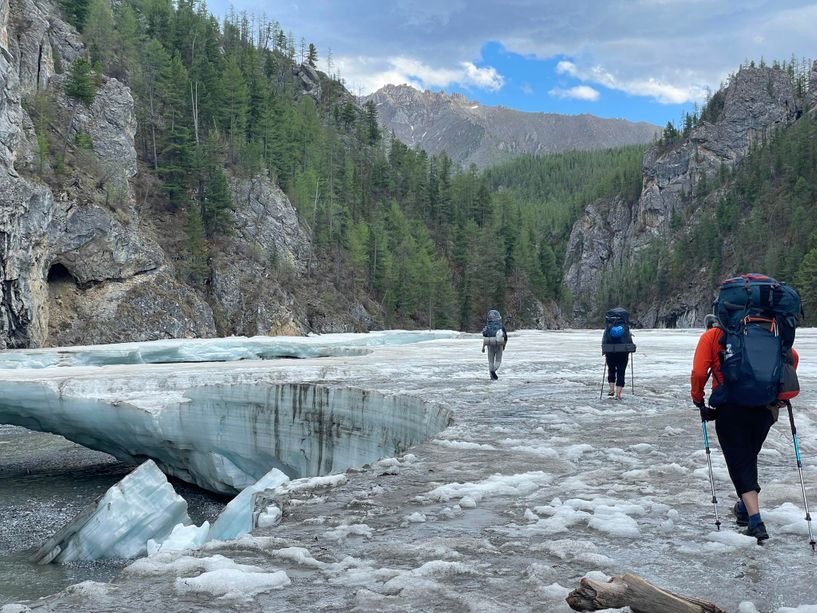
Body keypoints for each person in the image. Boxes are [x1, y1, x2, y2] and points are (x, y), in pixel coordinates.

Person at [690, 313, 798, 542]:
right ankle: (743, 507)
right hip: (765, 408)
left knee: (740, 461)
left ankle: (755, 521)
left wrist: (698, 399)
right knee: (748, 457)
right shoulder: (771, 334)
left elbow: (700, 372)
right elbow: (793, 358)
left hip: (731, 407)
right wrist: (777, 391)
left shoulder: (714, 335)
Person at [601, 308, 636, 400]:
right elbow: (630, 343)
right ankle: (618, 395)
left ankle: (611, 390)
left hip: (610, 353)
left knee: (611, 370)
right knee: (621, 372)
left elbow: (604, 340)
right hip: (623, 353)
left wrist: (604, 351)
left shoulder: (608, 327)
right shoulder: (625, 328)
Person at [481, 309, 508, 380]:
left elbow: (484, 335)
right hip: (499, 345)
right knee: (498, 361)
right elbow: (505, 337)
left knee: (490, 361)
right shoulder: (501, 326)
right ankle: (494, 370)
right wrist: (504, 346)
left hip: (490, 344)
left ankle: (491, 377)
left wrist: (483, 347)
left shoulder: (488, 326)